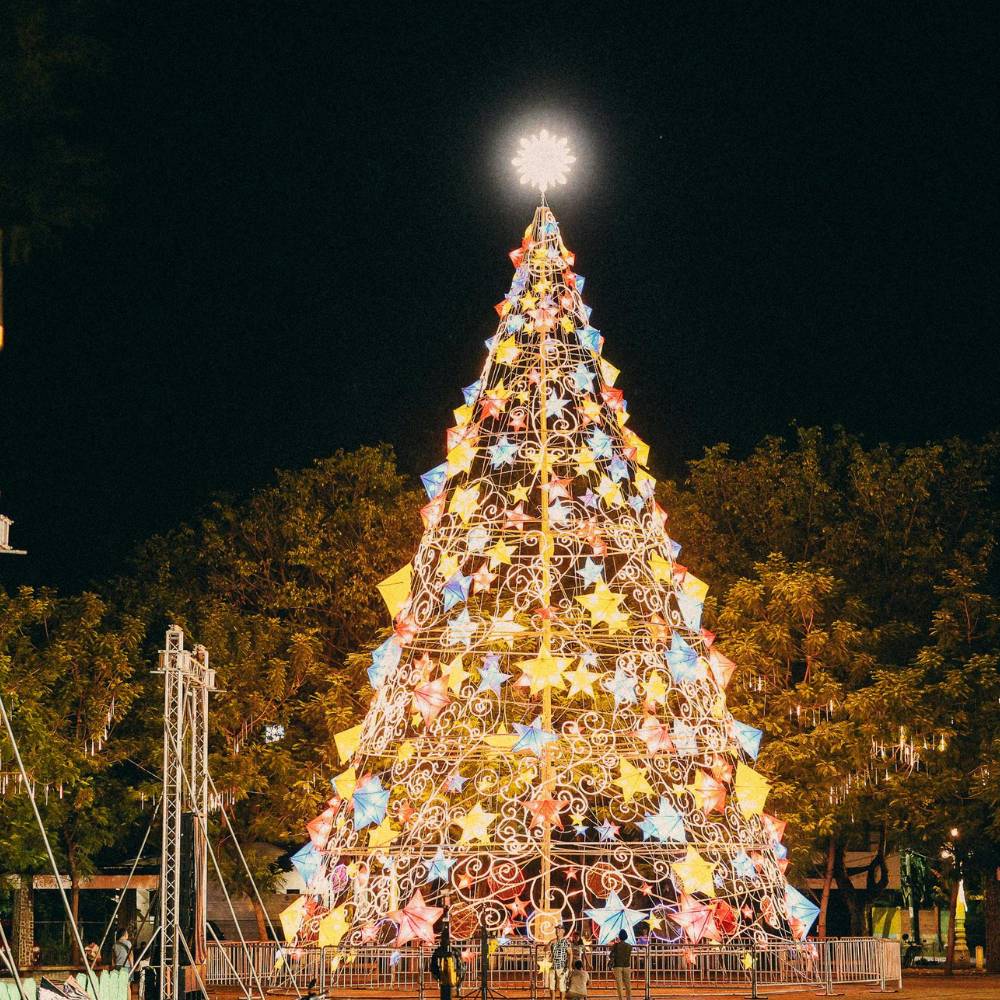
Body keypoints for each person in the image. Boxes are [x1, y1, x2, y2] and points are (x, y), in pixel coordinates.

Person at [430, 927, 463, 1000]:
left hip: (448, 976)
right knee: (445, 992)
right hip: (445, 976)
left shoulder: (441, 951)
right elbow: (461, 965)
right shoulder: (442, 951)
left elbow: (460, 965)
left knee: (446, 992)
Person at [548, 925, 572, 1000]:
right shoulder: (553, 941)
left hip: (562, 967)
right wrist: (550, 942)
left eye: (559, 929)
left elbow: (570, 953)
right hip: (552, 966)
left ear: (563, 931)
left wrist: (569, 966)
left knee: (562, 987)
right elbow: (545, 949)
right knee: (552, 987)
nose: (557, 931)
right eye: (556, 929)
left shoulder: (566, 942)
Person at [610, 930, 632, 1000]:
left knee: (619, 985)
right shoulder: (629, 946)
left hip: (617, 966)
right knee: (627, 984)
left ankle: (621, 999)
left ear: (619, 936)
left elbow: (611, 955)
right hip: (626, 965)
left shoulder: (615, 945)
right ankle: (629, 998)